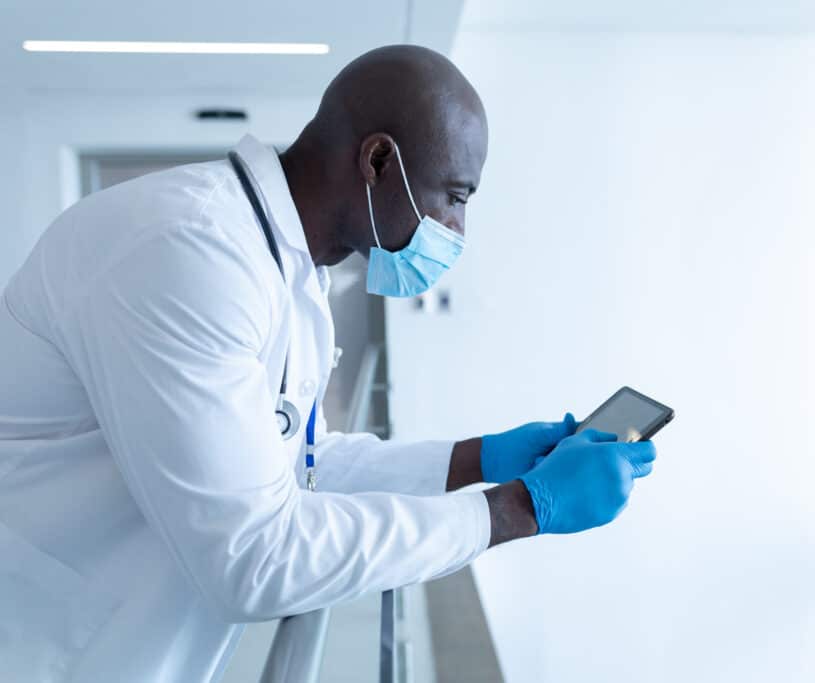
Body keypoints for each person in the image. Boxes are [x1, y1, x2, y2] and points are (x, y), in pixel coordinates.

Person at [0, 45, 656, 681]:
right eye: (455, 196)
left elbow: (295, 469)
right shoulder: (189, 251)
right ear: (377, 160)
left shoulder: (283, 268)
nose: (458, 230)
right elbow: (254, 556)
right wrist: (517, 509)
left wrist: (478, 459)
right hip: (43, 649)